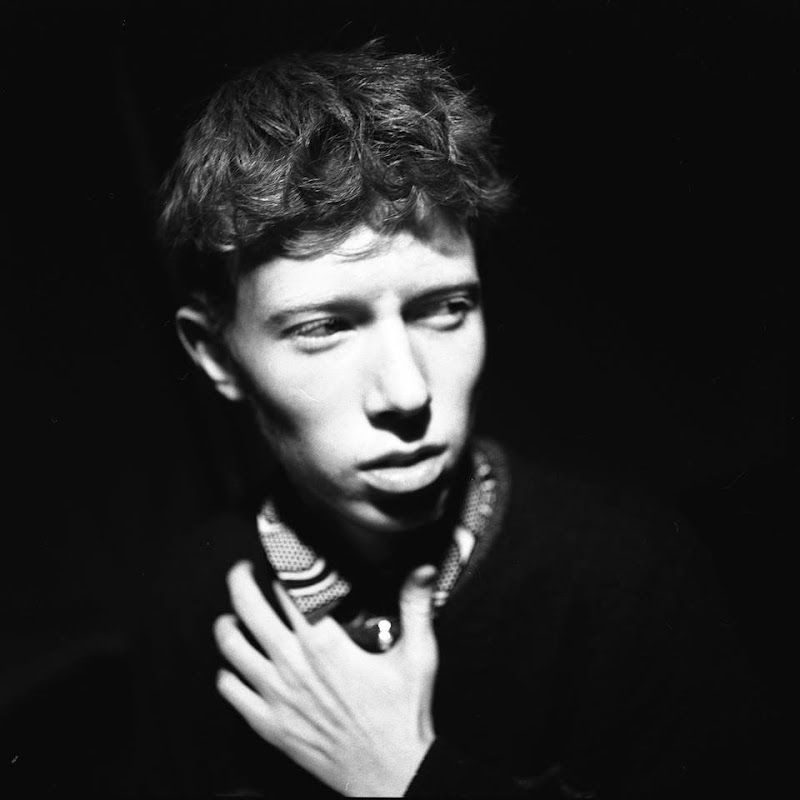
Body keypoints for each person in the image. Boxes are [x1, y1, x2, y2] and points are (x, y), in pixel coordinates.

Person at [135, 41, 771, 797]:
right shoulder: (193, 600)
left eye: (444, 309)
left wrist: (408, 779)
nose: (407, 392)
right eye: (324, 328)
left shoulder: (631, 575)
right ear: (215, 355)